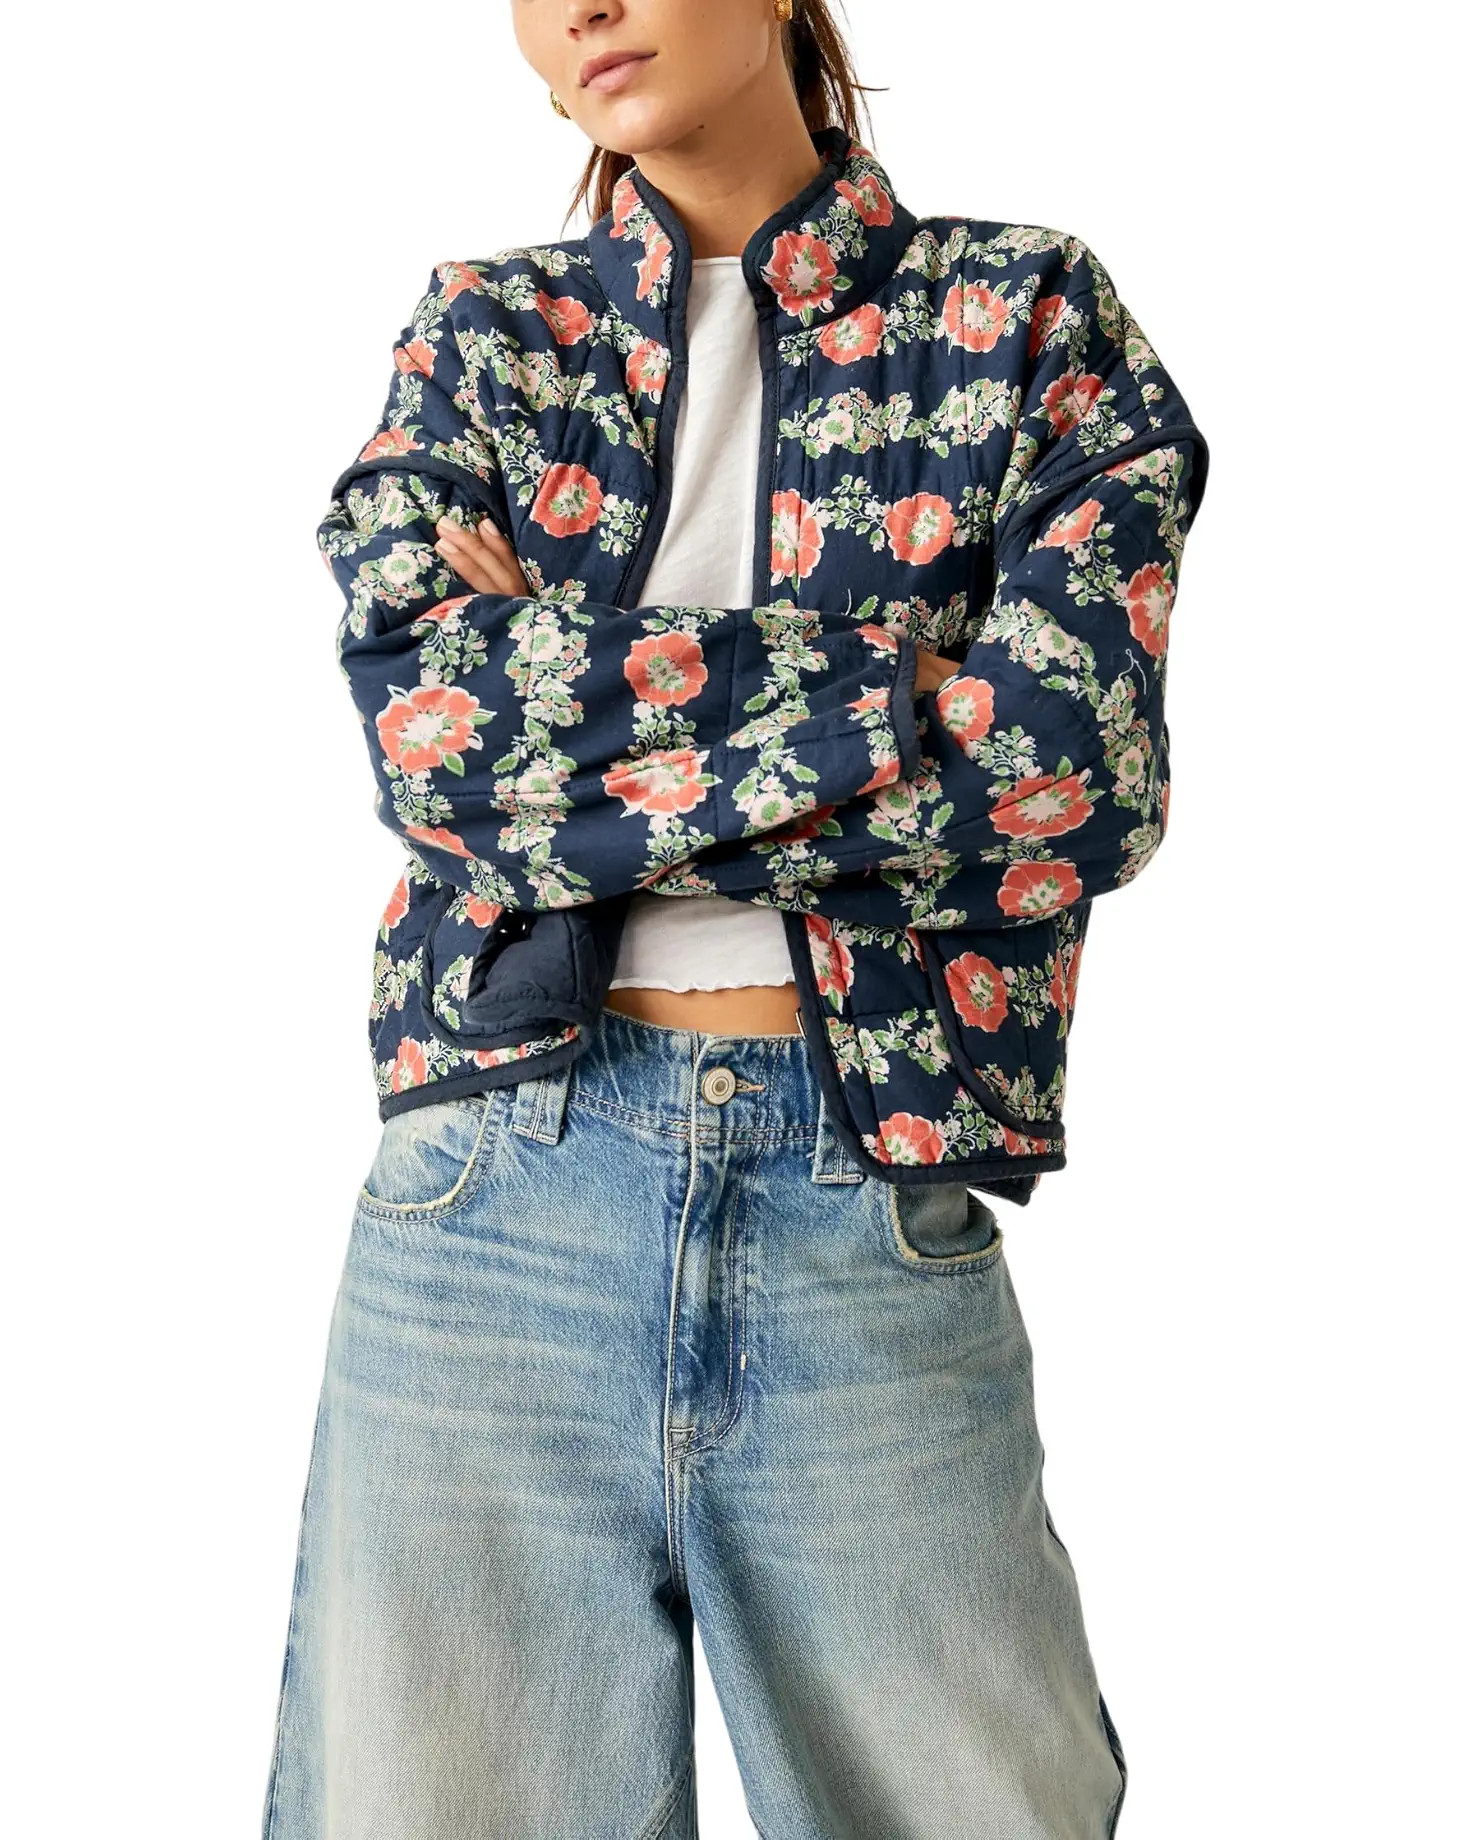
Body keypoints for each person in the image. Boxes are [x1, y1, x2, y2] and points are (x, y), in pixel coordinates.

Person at [262, 2, 1208, 1834]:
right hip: (495, 1198)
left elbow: (1077, 773)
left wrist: (585, 707)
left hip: (866, 1191)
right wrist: (896, 685)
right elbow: (440, 744)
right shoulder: (486, 333)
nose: (580, 6)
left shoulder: (1023, 317)